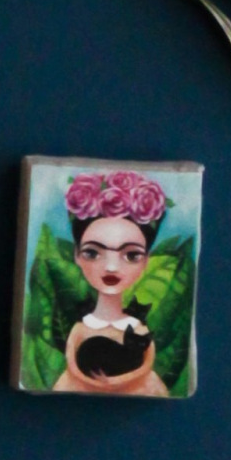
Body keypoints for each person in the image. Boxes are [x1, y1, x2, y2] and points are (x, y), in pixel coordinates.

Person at [55, 169, 170, 396]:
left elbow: (146, 366)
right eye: (92, 253)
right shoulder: (80, 328)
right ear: (76, 255)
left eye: (131, 255)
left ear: (146, 260)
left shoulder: (138, 328)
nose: (111, 267)